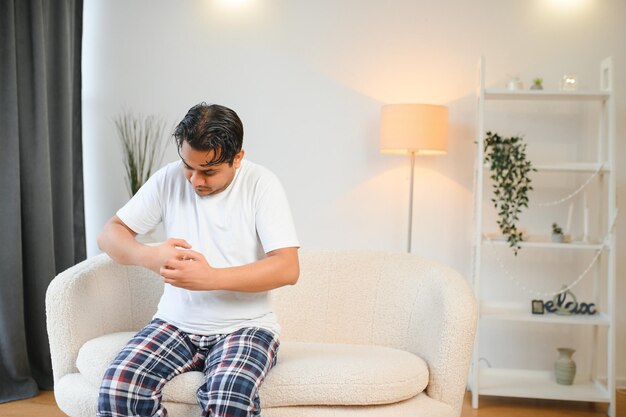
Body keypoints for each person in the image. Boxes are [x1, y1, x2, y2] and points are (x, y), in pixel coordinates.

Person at [96, 103, 300, 417]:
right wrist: (150, 256)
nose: (194, 180)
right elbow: (110, 234)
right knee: (119, 387)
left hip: (245, 328)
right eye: (188, 166)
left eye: (208, 171)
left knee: (228, 400)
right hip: (174, 324)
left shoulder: (262, 184)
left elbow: (288, 267)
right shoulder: (168, 179)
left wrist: (211, 278)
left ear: (237, 158)